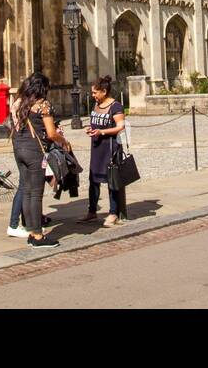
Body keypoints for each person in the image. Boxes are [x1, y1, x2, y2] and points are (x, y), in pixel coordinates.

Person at [11, 71, 71, 247]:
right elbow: (51, 133)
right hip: (34, 151)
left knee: (27, 191)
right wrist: (64, 141)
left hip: (18, 149)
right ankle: (38, 236)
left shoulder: (18, 102)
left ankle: (31, 231)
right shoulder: (43, 105)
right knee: (36, 193)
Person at [81, 76, 126, 226]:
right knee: (93, 180)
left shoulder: (116, 106)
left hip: (110, 147)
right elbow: (96, 123)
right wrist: (91, 129)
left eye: (95, 92)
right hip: (96, 147)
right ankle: (92, 211)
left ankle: (113, 213)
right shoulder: (96, 105)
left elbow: (120, 126)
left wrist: (103, 132)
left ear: (104, 91)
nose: (93, 95)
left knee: (111, 180)